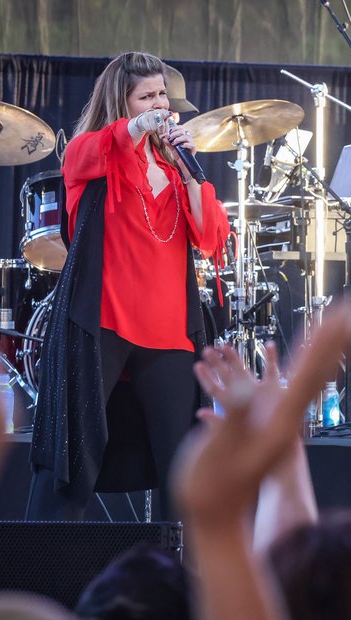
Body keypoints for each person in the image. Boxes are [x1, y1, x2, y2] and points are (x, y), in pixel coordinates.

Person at [27, 51, 228, 521]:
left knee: (182, 467)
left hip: (169, 331)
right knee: (74, 455)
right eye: (147, 97)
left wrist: (189, 170)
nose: (161, 105)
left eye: (164, 95)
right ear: (123, 103)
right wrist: (135, 131)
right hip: (105, 322)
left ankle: (177, 577)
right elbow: (80, 154)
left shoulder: (175, 167)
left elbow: (211, 236)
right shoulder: (92, 155)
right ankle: (40, 569)